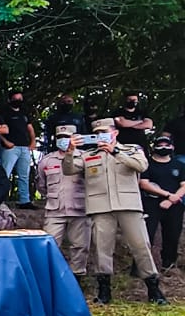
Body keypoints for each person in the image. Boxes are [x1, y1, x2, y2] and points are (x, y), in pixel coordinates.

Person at [64, 118, 166, 305]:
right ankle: (104, 291)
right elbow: (69, 169)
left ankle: (154, 289)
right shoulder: (89, 155)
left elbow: (142, 166)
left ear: (115, 133)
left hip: (129, 205)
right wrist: (70, 151)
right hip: (101, 207)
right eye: (98, 133)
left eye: (105, 132)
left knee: (141, 245)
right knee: (102, 249)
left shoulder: (132, 149)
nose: (102, 136)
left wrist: (115, 151)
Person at [37, 125, 91, 277]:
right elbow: (41, 186)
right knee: (49, 245)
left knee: (80, 246)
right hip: (55, 210)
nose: (64, 140)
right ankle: (50, 277)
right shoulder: (46, 161)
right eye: (60, 137)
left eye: (67, 137)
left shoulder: (85, 158)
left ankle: (77, 278)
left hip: (80, 209)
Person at [139, 133, 185, 271]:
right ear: (155, 147)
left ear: (172, 147)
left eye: (167, 145)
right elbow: (144, 184)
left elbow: (184, 185)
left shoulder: (179, 165)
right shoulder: (147, 164)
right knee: (147, 235)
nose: (164, 147)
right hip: (151, 203)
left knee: (172, 235)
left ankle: (169, 265)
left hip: (175, 204)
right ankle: (142, 268)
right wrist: (167, 195)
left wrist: (172, 199)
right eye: (160, 145)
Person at [0, 91, 37, 208]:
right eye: (16, 99)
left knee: (24, 175)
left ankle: (24, 201)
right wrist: (6, 142)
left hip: (24, 147)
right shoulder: (4, 113)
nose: (18, 101)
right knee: (5, 173)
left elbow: (30, 129)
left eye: (20, 98)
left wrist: (33, 142)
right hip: (10, 148)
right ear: (10, 100)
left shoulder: (24, 113)